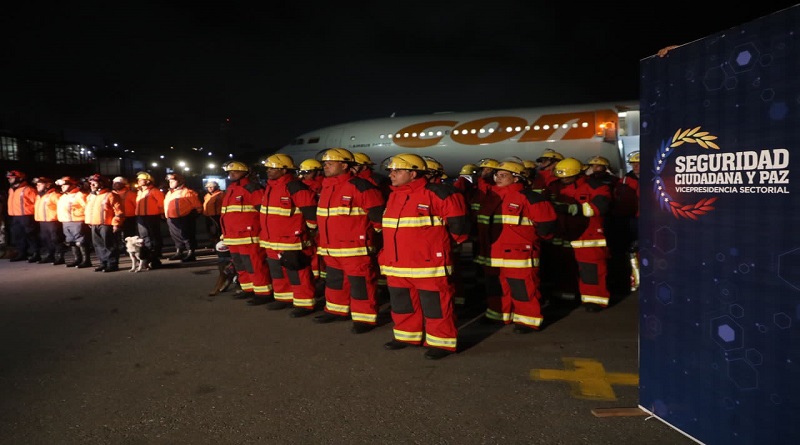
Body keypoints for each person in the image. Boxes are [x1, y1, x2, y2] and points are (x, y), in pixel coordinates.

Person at [379, 153, 469, 360]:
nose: (391, 175)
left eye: (397, 171)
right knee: (402, 304)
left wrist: (441, 249)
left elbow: (459, 227)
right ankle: (406, 336)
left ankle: (441, 343)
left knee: (435, 305)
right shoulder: (394, 195)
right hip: (397, 265)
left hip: (429, 265)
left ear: (413, 173)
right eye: (391, 171)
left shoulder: (438, 193)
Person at [474, 160, 557, 332]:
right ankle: (498, 314)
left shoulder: (531, 198)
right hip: (493, 253)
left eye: (503, 175)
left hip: (519, 254)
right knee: (495, 287)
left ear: (517, 178)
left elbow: (547, 226)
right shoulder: (491, 197)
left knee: (523, 289)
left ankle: (527, 321)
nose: (498, 178)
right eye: (497, 175)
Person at [313, 148, 385, 333]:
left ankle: (364, 319)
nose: (325, 166)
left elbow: (378, 216)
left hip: (355, 248)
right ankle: (336, 310)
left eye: (330, 163)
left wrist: (374, 237)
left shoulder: (361, 186)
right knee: (335, 281)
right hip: (331, 248)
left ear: (344, 165)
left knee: (361, 284)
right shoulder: (327, 186)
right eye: (324, 164)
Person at [546, 157, 612, 312]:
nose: (564, 180)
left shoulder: (596, 186)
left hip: (589, 237)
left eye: (567, 177)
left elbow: (601, 206)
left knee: (592, 272)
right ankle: (567, 297)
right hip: (563, 236)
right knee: (564, 270)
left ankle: (595, 301)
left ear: (577, 174)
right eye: (561, 177)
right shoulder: (553, 187)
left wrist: (573, 209)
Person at [258, 154, 319, 317]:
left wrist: (311, 230)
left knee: (297, 272)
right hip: (271, 239)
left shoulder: (295, 186)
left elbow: (310, 211)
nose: (269, 171)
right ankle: (283, 298)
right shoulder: (270, 187)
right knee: (278, 271)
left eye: (273, 168)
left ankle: (304, 303)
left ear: (284, 169)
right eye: (268, 168)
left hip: (292, 240)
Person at [220, 160, 273, 304]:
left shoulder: (252, 188)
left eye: (235, 171)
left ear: (245, 173)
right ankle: (248, 289)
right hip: (233, 236)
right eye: (229, 172)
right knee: (240, 265)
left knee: (254, 265)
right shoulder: (231, 189)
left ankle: (263, 293)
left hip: (248, 236)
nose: (232, 174)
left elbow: (263, 211)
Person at [609, 151, 640, 291]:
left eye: (638, 163)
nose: (636, 166)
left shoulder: (655, 178)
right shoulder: (626, 180)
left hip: (645, 219)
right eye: (633, 164)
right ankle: (633, 279)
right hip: (629, 219)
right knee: (630, 249)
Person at [84, 174, 124, 272]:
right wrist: (89, 221)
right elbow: (89, 209)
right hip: (94, 224)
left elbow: (119, 211)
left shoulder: (111, 195)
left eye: (94, 182)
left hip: (107, 224)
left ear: (102, 183)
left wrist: (116, 224)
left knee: (109, 245)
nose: (91, 184)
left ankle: (112, 264)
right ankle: (103, 263)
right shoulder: (90, 196)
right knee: (98, 245)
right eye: (90, 183)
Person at [164, 172, 203, 262]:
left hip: (184, 217)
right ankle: (179, 251)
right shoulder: (170, 193)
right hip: (171, 218)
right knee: (176, 236)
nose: (170, 183)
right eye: (169, 181)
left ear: (180, 181)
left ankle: (191, 253)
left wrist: (193, 215)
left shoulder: (188, 192)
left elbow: (197, 206)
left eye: (172, 181)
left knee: (187, 236)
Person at [56, 176, 92, 268]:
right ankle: (77, 259)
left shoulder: (79, 195)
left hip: (77, 221)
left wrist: (88, 220)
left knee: (81, 242)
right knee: (71, 241)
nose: (62, 187)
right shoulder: (63, 196)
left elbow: (87, 208)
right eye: (62, 185)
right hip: (66, 222)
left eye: (65, 185)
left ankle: (86, 260)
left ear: (72, 185)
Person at [6, 170, 39, 262]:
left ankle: (36, 253)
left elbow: (37, 202)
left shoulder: (28, 189)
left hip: (27, 216)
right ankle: (22, 253)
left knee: (31, 235)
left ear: (19, 178)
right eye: (9, 178)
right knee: (18, 236)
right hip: (15, 216)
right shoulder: (11, 189)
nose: (10, 180)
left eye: (12, 178)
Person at [135, 171, 165, 268]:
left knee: (154, 237)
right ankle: (148, 258)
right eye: (138, 179)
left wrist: (162, 213)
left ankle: (155, 258)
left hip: (152, 216)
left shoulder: (154, 191)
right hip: (141, 217)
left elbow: (161, 203)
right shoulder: (139, 192)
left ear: (148, 181)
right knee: (144, 237)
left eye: (141, 179)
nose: (139, 181)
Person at [33, 177, 66, 264]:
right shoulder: (39, 196)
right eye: (37, 184)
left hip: (53, 221)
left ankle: (59, 257)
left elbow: (62, 208)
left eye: (40, 184)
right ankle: (50, 255)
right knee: (45, 239)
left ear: (48, 185)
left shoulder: (55, 195)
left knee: (56, 239)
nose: (37, 186)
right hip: (43, 221)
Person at [112, 176, 138, 242]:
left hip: (129, 218)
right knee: (116, 237)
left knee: (129, 236)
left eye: (117, 183)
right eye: (114, 183)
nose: (115, 184)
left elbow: (137, 206)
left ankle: (130, 250)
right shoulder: (112, 194)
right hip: (115, 218)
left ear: (123, 184)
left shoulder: (131, 194)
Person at [202, 180, 223, 248]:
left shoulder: (221, 194)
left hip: (216, 216)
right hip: (208, 216)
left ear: (216, 187)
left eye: (211, 187)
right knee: (210, 231)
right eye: (208, 187)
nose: (209, 188)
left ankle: (219, 243)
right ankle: (213, 242)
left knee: (217, 231)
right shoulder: (207, 195)